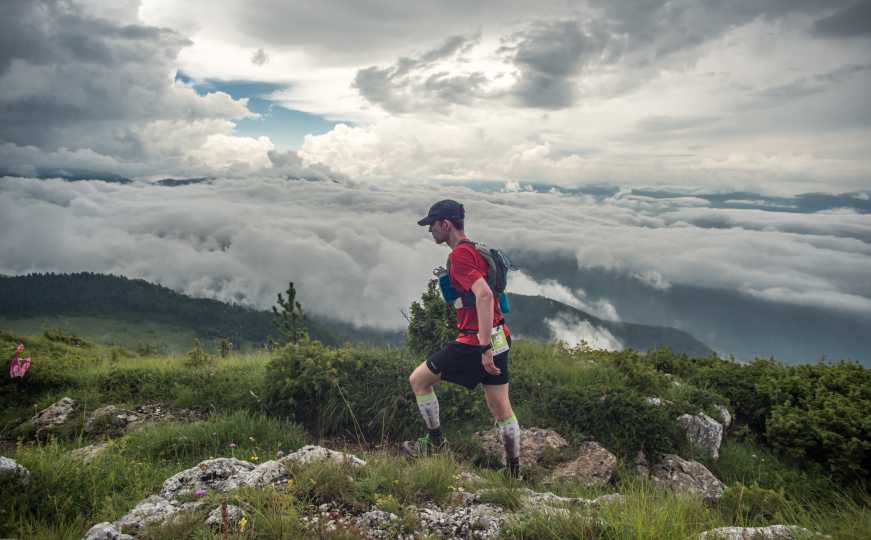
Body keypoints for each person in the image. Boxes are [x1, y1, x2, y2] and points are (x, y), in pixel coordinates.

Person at [404, 199, 521, 478]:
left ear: (445, 224)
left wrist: (483, 347)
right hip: (500, 335)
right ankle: (513, 471)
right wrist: (491, 342)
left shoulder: (459, 256)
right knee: (500, 405)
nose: (430, 230)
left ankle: (435, 445)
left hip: (475, 341)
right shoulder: (478, 250)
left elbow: (484, 294)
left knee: (418, 380)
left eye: (432, 225)